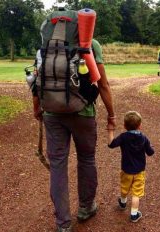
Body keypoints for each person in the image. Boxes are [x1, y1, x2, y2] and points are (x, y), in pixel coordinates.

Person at [32, 39, 115, 232]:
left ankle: (63, 223)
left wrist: (37, 108)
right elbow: (103, 84)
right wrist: (111, 115)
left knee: (58, 165)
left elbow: (38, 82)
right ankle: (86, 208)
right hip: (83, 113)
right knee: (86, 159)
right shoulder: (90, 44)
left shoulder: (47, 45)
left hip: (52, 113)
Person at [108, 111, 155, 223]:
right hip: (139, 171)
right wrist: (149, 146)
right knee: (136, 193)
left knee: (125, 187)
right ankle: (134, 214)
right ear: (140, 126)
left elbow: (111, 144)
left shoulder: (123, 137)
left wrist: (110, 130)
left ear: (124, 126)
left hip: (126, 170)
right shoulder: (144, 138)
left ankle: (123, 202)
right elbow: (150, 152)